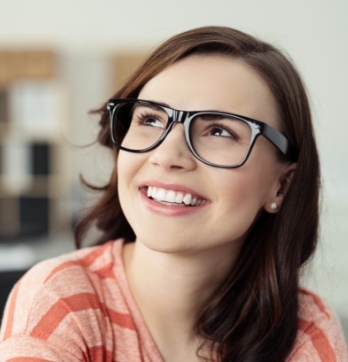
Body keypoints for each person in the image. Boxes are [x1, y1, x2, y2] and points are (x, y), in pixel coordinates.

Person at [0, 26, 347, 362]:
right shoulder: (61, 302)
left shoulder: (307, 326)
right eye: (150, 119)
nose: (166, 155)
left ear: (282, 186)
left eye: (219, 130)